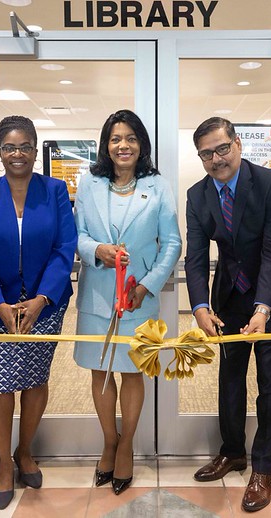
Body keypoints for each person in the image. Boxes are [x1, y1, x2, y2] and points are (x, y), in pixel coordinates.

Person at [184, 117, 271, 513]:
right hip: (230, 296)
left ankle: (263, 469)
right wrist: (200, 306)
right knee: (230, 377)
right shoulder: (198, 194)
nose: (216, 159)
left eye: (222, 148)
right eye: (207, 153)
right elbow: (197, 257)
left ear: (237, 143)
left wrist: (264, 308)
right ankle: (233, 451)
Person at [0, 115, 76, 509]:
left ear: (35, 149)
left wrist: (42, 298)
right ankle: (3, 463)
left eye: (25, 146)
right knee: (0, 382)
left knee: (35, 378)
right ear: (0, 151)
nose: (17, 154)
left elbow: (65, 248)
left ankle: (25, 450)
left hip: (45, 306)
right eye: (9, 147)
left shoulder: (56, 190)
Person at [73, 109, 181, 495]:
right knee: (99, 372)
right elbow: (77, 234)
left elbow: (172, 242)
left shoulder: (158, 185)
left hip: (137, 299)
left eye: (131, 138)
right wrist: (96, 249)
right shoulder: (89, 184)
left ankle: (127, 445)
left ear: (142, 145)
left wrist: (148, 285)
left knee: (133, 373)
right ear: (106, 145)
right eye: (116, 138)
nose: (123, 145)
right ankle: (108, 440)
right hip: (97, 296)